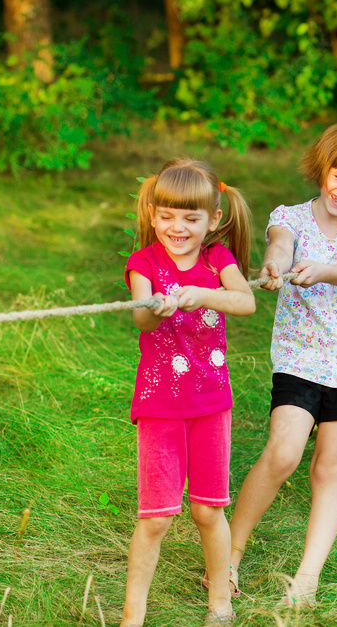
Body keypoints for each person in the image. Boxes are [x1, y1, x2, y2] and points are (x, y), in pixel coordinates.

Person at [227, 122, 337, 606]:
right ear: (322, 169)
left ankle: (306, 581)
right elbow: (281, 245)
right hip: (299, 355)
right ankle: (230, 554)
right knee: (283, 453)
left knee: (329, 467)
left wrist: (323, 270)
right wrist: (275, 265)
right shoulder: (288, 215)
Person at [119, 159, 255, 627]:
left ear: (213, 220)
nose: (178, 227)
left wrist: (202, 294)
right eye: (168, 216)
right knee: (155, 517)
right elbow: (141, 318)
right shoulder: (145, 263)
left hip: (211, 404)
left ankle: (220, 601)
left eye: (191, 218)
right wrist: (155, 306)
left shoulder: (218, 261)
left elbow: (245, 302)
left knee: (207, 510)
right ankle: (132, 616)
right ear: (154, 215)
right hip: (160, 406)